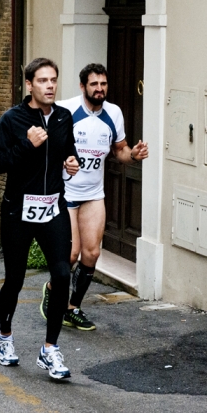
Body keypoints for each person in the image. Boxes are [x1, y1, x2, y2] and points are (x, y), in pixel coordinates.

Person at [0, 58, 80, 380]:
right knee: (15, 278)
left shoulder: (64, 117)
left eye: (53, 80)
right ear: (29, 85)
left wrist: (72, 162)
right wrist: (28, 145)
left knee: (63, 274)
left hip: (52, 207)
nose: (50, 86)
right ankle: (5, 336)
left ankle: (49, 348)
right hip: (18, 211)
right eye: (43, 81)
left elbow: (70, 150)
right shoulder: (13, 119)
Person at [39, 63, 149, 331]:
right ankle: (52, 289)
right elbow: (48, 147)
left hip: (93, 194)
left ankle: (72, 308)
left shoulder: (114, 113)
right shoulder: (65, 111)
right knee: (72, 254)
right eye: (94, 84)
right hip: (66, 194)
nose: (99, 89)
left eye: (103, 84)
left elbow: (119, 150)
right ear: (82, 86)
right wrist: (63, 162)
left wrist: (133, 155)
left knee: (92, 253)